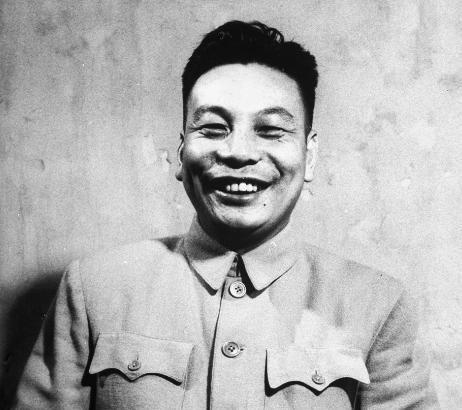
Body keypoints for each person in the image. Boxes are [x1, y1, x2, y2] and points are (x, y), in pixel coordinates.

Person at [13, 21, 437, 409]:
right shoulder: (95, 287)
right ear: (182, 151)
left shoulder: (377, 304)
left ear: (309, 156)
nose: (238, 152)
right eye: (213, 129)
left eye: (271, 130)